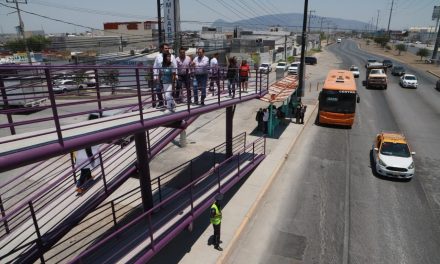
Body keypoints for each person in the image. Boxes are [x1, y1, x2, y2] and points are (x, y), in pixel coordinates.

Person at [153, 43, 177, 108]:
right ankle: (161, 103)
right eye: (165, 48)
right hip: (161, 77)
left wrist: (175, 77)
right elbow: (155, 67)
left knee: (167, 94)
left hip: (169, 77)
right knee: (158, 89)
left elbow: (175, 67)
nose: (167, 49)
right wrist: (155, 76)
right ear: (162, 49)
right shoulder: (158, 56)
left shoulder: (172, 56)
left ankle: (170, 106)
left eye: (168, 48)